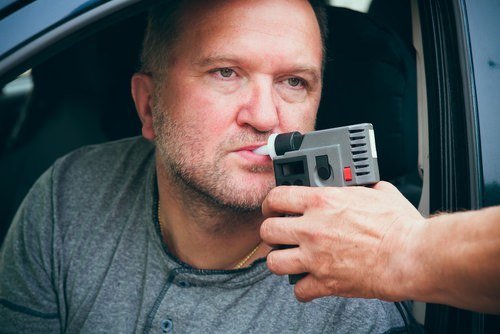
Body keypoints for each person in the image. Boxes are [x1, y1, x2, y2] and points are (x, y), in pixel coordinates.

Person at [0, 0, 415, 332]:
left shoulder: (352, 298)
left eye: (294, 82)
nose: (266, 117)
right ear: (148, 104)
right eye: (226, 72)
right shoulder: (68, 195)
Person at [261, 181, 500, 315]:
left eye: (294, 87)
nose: (264, 117)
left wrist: (395, 246)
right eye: (227, 87)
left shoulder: (365, 308)